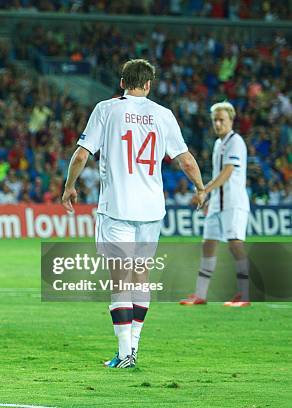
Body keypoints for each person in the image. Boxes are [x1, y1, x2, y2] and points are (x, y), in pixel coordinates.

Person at [62, 59, 206, 369]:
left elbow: (81, 154)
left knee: (119, 281)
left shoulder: (106, 109)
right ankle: (133, 347)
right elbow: (186, 160)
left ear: (122, 82)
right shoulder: (162, 115)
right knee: (141, 276)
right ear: (148, 84)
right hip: (151, 210)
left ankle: (125, 353)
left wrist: (69, 187)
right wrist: (201, 188)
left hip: (117, 208)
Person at [180, 102, 251, 307]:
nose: (218, 124)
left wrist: (204, 190)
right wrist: (210, 199)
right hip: (218, 204)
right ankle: (200, 295)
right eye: (215, 120)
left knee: (235, 245)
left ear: (231, 120)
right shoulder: (219, 144)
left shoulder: (235, 141)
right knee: (208, 244)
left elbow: (228, 172)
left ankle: (244, 295)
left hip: (233, 203)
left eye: (222, 120)